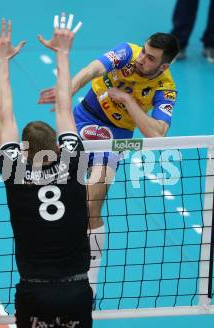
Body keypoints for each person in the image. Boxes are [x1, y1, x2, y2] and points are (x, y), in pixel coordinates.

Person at [38, 33, 179, 300]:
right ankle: (55, 258)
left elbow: (157, 135)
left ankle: (88, 280)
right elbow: (92, 70)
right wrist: (65, 91)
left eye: (150, 58)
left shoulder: (166, 89)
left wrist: (129, 102)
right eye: (144, 52)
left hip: (116, 136)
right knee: (59, 189)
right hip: (82, 118)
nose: (142, 59)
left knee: (93, 200)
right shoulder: (127, 52)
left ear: (164, 66)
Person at [0, 14, 93, 327]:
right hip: (76, 288)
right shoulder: (73, 162)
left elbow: (5, 117)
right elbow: (63, 108)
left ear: (23, 150)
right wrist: (63, 52)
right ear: (58, 148)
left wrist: (2, 60)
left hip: (33, 290)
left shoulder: (14, 171)